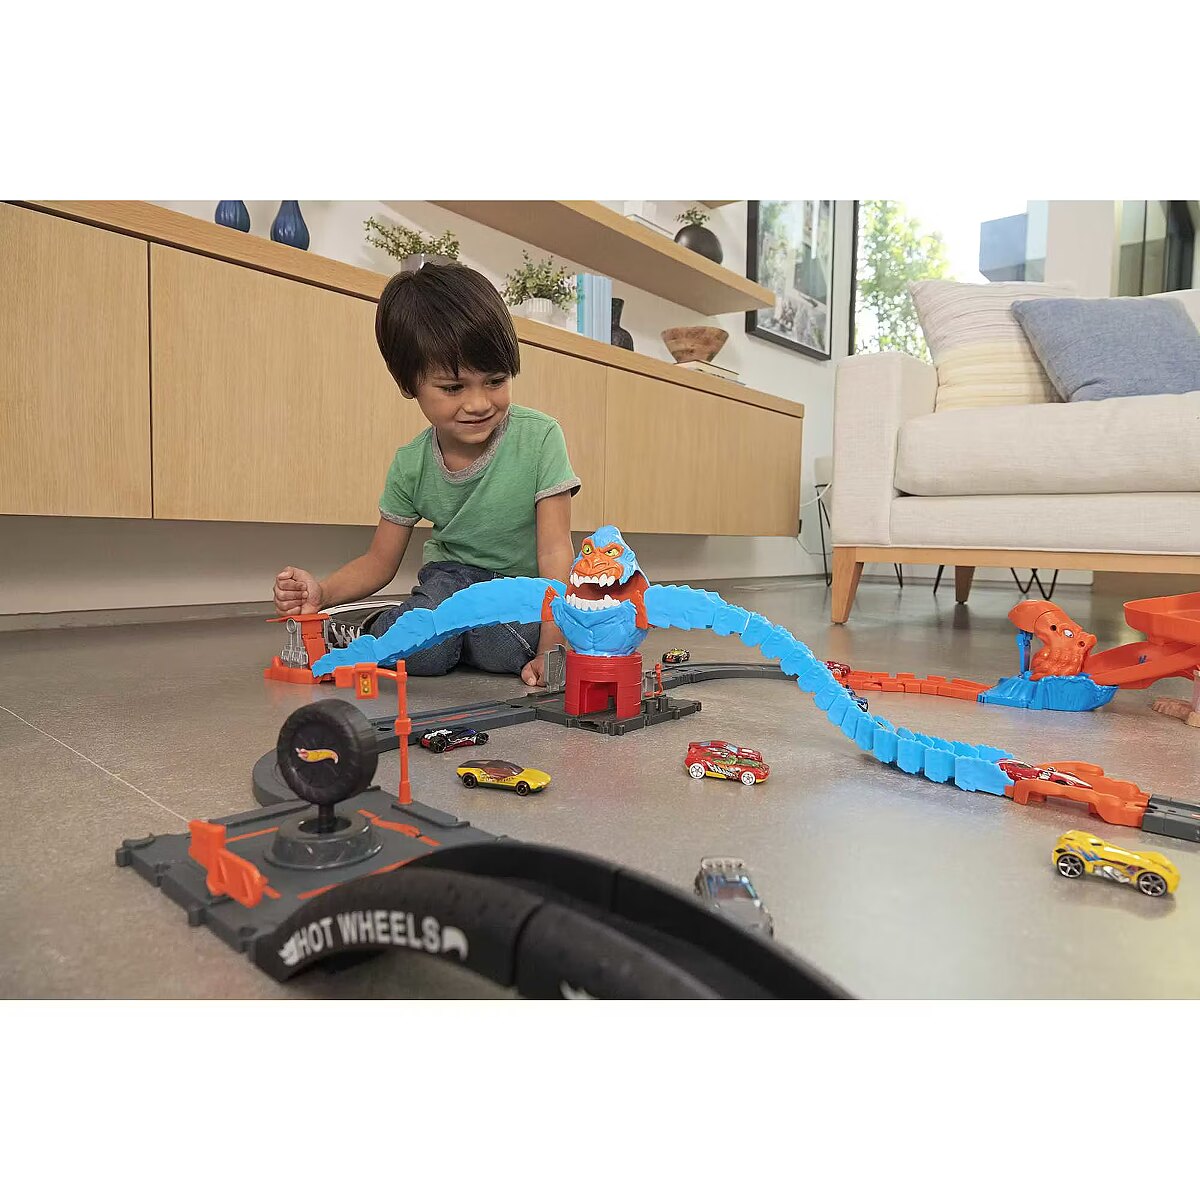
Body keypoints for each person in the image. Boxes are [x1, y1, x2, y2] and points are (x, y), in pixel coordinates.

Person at [273, 263, 578, 687]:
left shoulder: (540, 437)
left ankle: (438, 631)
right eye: (453, 388)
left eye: (495, 381)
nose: (479, 403)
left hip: (520, 586)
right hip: (450, 580)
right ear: (408, 384)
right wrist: (322, 593)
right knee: (427, 650)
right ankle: (383, 627)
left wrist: (552, 648)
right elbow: (379, 562)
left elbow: (556, 553)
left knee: (504, 646)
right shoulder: (411, 463)